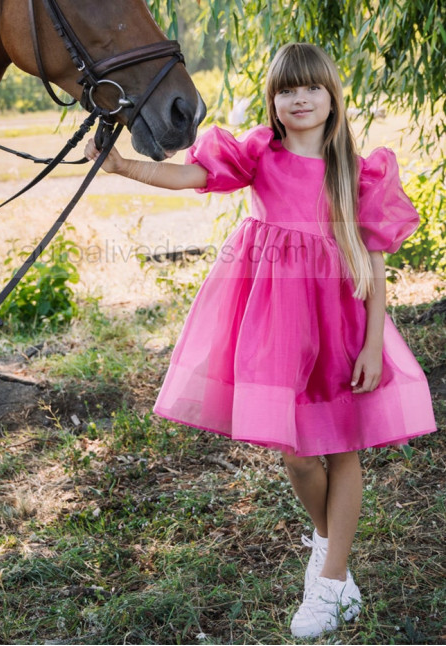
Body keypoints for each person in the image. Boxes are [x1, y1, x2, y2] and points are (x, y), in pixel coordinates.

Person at [84, 42, 436, 638]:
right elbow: (189, 175)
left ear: (332, 97)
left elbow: (373, 264)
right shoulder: (258, 155)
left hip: (338, 319)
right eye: (287, 90)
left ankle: (329, 584)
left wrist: (374, 343)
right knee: (296, 453)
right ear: (273, 101)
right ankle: (329, 547)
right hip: (274, 318)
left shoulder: (357, 170)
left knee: (342, 444)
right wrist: (125, 166)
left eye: (312, 88)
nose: (300, 98)